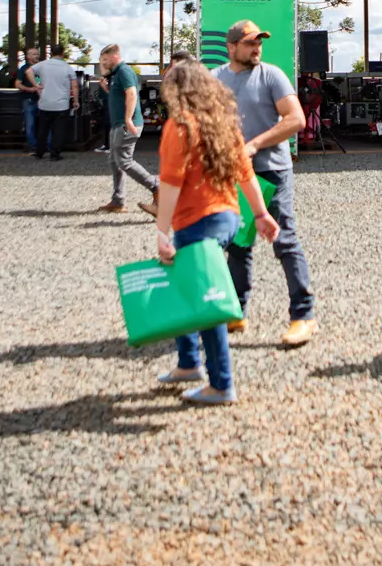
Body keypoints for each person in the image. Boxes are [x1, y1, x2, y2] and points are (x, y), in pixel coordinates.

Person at [153, 59, 281, 405]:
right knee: (187, 289)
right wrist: (261, 214)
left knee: (206, 304)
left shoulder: (179, 127)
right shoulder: (223, 125)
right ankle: (188, 363)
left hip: (197, 222)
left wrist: (161, 231)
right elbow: (246, 174)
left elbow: (170, 183)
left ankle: (221, 384)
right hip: (228, 219)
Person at [213, 21, 317, 347]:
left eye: (259, 42)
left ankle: (303, 316)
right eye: (249, 43)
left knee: (284, 239)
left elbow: (296, 119)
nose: (256, 48)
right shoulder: (216, 79)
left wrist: (255, 145)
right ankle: (236, 311)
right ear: (231, 47)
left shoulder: (272, 75)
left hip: (272, 171)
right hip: (234, 174)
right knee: (238, 244)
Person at [99, 44, 158, 213]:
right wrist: (106, 88)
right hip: (119, 124)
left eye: (105, 60)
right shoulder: (116, 74)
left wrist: (127, 119)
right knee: (115, 161)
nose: (103, 63)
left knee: (124, 161)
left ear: (114, 57)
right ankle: (118, 201)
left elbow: (131, 94)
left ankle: (156, 187)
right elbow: (119, 95)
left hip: (126, 125)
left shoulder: (124, 71)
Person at [32, 47, 80, 160]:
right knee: (59, 130)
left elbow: (29, 71)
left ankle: (39, 152)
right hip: (61, 105)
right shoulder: (67, 67)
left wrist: (36, 85)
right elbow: (75, 85)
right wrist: (76, 100)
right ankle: (55, 154)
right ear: (62, 54)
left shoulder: (42, 65)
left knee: (43, 129)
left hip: (45, 103)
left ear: (51, 53)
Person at [16, 48, 42, 155]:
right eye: (34, 54)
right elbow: (17, 84)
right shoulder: (23, 69)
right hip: (29, 99)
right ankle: (33, 147)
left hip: (43, 100)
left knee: (44, 124)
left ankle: (46, 146)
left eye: (37, 54)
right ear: (28, 56)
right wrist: (29, 89)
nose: (36, 56)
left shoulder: (42, 67)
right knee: (30, 125)